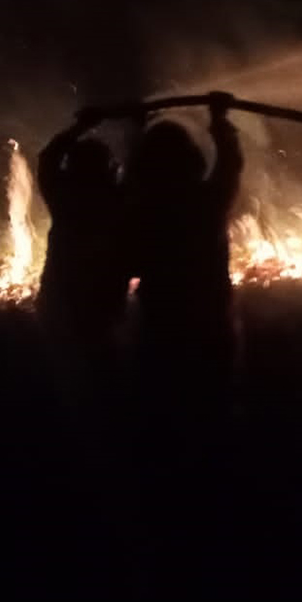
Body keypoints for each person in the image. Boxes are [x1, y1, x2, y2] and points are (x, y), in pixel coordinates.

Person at [125, 92, 244, 420]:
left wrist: (135, 130)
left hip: (161, 325)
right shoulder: (208, 203)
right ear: (193, 160)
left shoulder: (142, 210)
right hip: (210, 321)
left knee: (162, 406)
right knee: (214, 402)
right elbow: (230, 163)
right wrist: (219, 120)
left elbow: (133, 177)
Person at [36, 108, 128, 402]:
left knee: (68, 380)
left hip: (59, 302)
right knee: (103, 377)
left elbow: (48, 158)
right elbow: (137, 175)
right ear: (108, 168)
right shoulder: (114, 200)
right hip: (99, 303)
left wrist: (80, 127)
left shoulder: (63, 195)